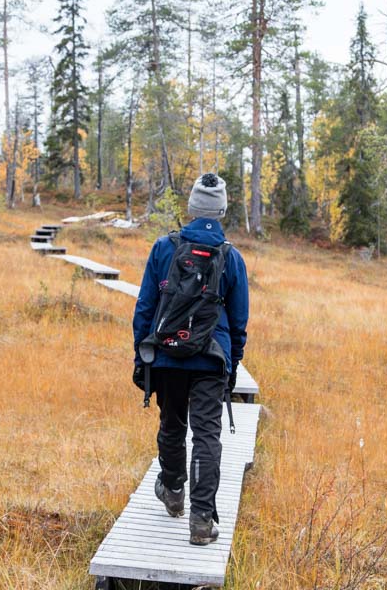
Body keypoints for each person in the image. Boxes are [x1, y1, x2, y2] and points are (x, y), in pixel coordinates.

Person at [132, 173, 249, 545]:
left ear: (192, 207)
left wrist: (141, 355)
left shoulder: (163, 248)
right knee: (206, 435)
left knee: (171, 425)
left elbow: (145, 307)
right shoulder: (231, 257)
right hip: (211, 359)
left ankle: (172, 491)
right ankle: (201, 520)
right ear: (222, 210)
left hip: (167, 355)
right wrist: (233, 361)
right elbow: (239, 320)